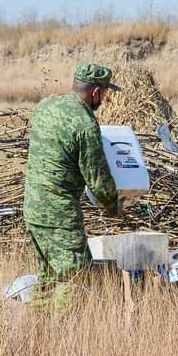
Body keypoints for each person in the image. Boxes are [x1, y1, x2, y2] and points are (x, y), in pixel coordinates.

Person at [22, 62, 120, 309]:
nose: (104, 99)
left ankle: (38, 336)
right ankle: (60, 340)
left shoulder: (46, 106)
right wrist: (114, 206)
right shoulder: (85, 124)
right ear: (96, 92)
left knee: (48, 277)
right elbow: (97, 179)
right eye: (105, 93)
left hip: (33, 207)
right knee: (76, 277)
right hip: (59, 213)